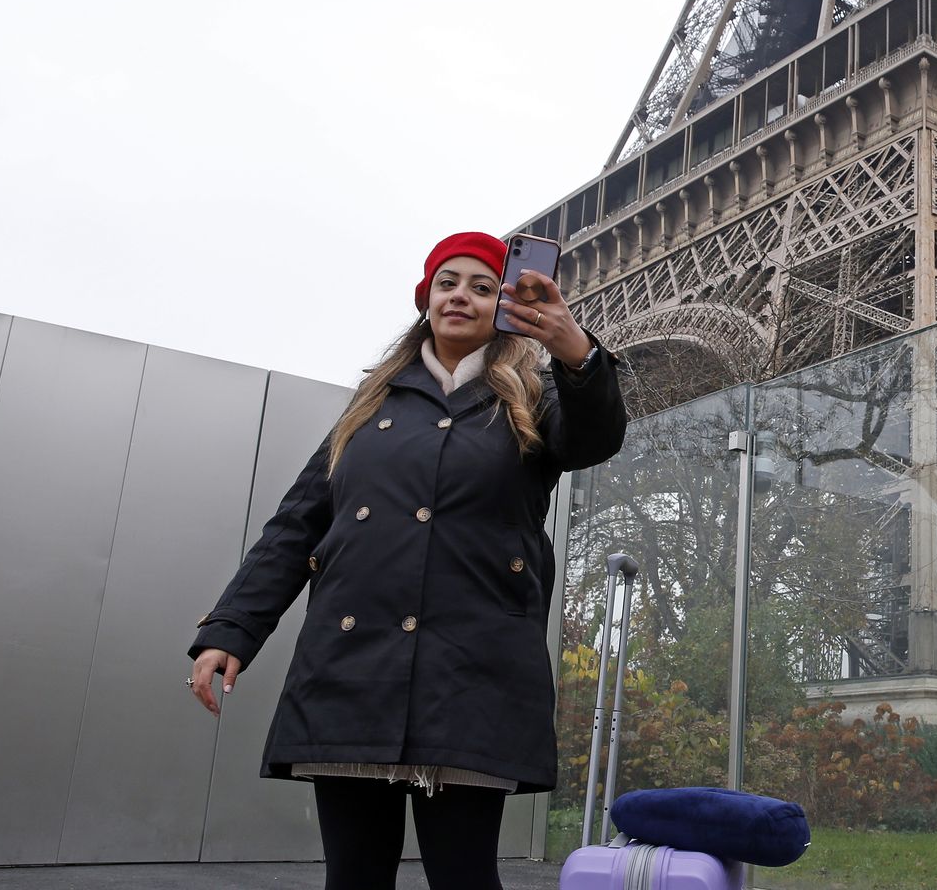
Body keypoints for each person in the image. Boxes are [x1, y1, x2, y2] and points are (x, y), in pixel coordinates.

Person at [186, 231, 626, 890]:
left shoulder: (531, 396)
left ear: (502, 308)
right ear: (427, 300)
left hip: (471, 672)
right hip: (355, 667)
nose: (461, 297)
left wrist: (576, 353)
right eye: (448, 283)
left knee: (465, 876)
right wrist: (231, 631)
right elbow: (297, 526)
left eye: (482, 287)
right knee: (354, 876)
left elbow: (595, 438)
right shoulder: (369, 408)